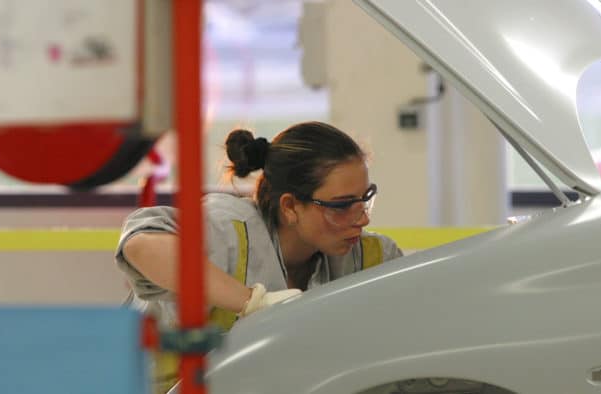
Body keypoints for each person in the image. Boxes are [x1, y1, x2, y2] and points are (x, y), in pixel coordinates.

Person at [115, 121, 403, 392]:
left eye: (365, 200)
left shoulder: (370, 258)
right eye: (341, 206)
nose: (362, 220)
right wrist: (253, 302)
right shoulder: (228, 232)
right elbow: (140, 243)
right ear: (290, 206)